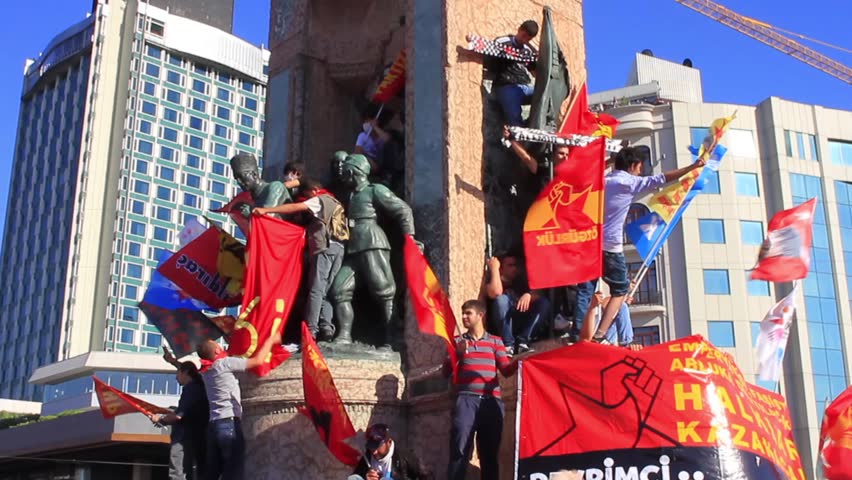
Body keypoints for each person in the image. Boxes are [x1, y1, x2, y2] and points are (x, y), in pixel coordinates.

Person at [576, 146, 705, 343]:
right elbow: (663, 178)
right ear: (633, 165)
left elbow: (594, 170)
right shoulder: (629, 183)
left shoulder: (602, 180)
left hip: (591, 243)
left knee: (585, 290)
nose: (640, 171)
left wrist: (611, 160)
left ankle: (577, 330)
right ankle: (599, 334)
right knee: (620, 290)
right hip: (610, 246)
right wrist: (692, 167)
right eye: (639, 167)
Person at [329, 154, 417, 348]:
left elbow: (403, 210)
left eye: (346, 172)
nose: (343, 176)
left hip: (372, 242)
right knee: (339, 290)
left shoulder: (375, 190)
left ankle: (393, 338)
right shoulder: (351, 195)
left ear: (353, 172)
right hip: (353, 247)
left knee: (384, 291)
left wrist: (409, 238)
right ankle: (344, 335)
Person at [254, 179, 349, 341]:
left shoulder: (320, 199)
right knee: (327, 291)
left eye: (306, 196)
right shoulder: (335, 201)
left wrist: (266, 210)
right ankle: (326, 327)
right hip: (339, 249)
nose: (306, 199)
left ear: (313, 190)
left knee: (316, 290)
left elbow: (294, 207)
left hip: (324, 248)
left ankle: (311, 330)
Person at [444, 299, 516, 480]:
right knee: (459, 451)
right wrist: (457, 355)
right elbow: (445, 372)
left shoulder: (495, 341)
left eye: (468, 313)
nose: (464, 317)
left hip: (491, 403)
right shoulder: (457, 341)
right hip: (466, 401)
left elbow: (506, 371)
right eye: (463, 313)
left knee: (489, 455)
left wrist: (520, 363)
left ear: (480, 315)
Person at [196, 331, 282, 480]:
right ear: (217, 350)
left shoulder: (206, 372)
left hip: (212, 426)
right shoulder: (225, 364)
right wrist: (271, 340)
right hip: (229, 424)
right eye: (218, 345)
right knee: (233, 471)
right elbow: (257, 361)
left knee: (212, 472)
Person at [151, 352, 209, 480]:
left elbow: (178, 416)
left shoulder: (191, 389)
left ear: (185, 373)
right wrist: (173, 361)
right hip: (201, 436)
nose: (176, 377)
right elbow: (191, 369)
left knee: (178, 473)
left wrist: (160, 420)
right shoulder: (202, 385)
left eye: (177, 373)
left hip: (184, 438)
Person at [484, 253, 550, 355]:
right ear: (501, 268)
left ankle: (522, 342)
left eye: (516, 265)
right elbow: (496, 293)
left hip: (521, 322)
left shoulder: (520, 282)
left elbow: (539, 294)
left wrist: (529, 295)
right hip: (504, 326)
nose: (515, 269)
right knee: (501, 300)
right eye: (510, 265)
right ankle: (507, 345)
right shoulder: (494, 280)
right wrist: (494, 269)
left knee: (543, 303)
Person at [491, 20, 538, 126]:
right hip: (507, 86)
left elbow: (535, 71)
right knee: (515, 120)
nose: (524, 40)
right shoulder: (503, 41)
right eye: (523, 36)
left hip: (524, 86)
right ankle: (517, 137)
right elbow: (488, 51)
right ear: (519, 29)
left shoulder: (529, 50)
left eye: (528, 39)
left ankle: (532, 124)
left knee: (545, 96)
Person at [348, 424, 432, 480]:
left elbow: (427, 475)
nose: (374, 452)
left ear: (389, 442)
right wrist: (366, 477)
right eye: (371, 447)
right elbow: (357, 475)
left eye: (377, 447)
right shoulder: (368, 456)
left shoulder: (405, 456)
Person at [229, 153, 291, 220]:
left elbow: (268, 218)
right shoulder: (254, 201)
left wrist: (250, 215)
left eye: (241, 176)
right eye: (237, 179)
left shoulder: (275, 187)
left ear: (254, 174)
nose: (239, 182)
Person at [354, 105, 393, 174]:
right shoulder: (362, 136)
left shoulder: (382, 135)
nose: (365, 123)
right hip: (366, 163)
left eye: (368, 121)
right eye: (364, 121)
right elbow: (357, 152)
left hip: (381, 164)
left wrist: (375, 127)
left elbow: (387, 139)